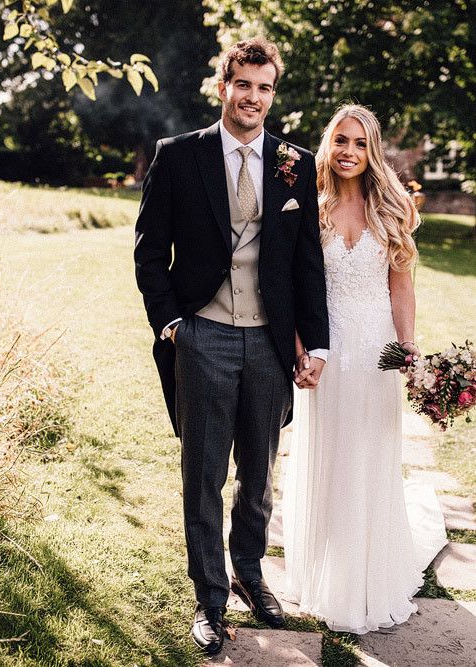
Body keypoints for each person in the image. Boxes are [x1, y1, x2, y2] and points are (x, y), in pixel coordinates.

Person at [133, 38, 329, 655]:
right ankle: (209, 601)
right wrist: (170, 324)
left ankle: (249, 571)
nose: (254, 97)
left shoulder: (295, 162)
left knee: (259, 475)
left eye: (264, 87)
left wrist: (314, 344)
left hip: (270, 342)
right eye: (243, 85)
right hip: (204, 335)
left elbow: (307, 263)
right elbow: (148, 251)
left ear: (274, 93)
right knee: (204, 475)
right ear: (224, 87)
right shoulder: (179, 157)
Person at [283, 104, 448, 634]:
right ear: (328, 146)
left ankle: (369, 572)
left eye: (359, 143)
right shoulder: (308, 206)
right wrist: (301, 349)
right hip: (327, 349)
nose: (349, 152)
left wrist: (408, 349)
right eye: (340, 141)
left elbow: (401, 287)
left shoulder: (392, 208)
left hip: (377, 349)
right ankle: (326, 571)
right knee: (331, 451)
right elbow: (292, 286)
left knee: (371, 453)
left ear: (372, 150)